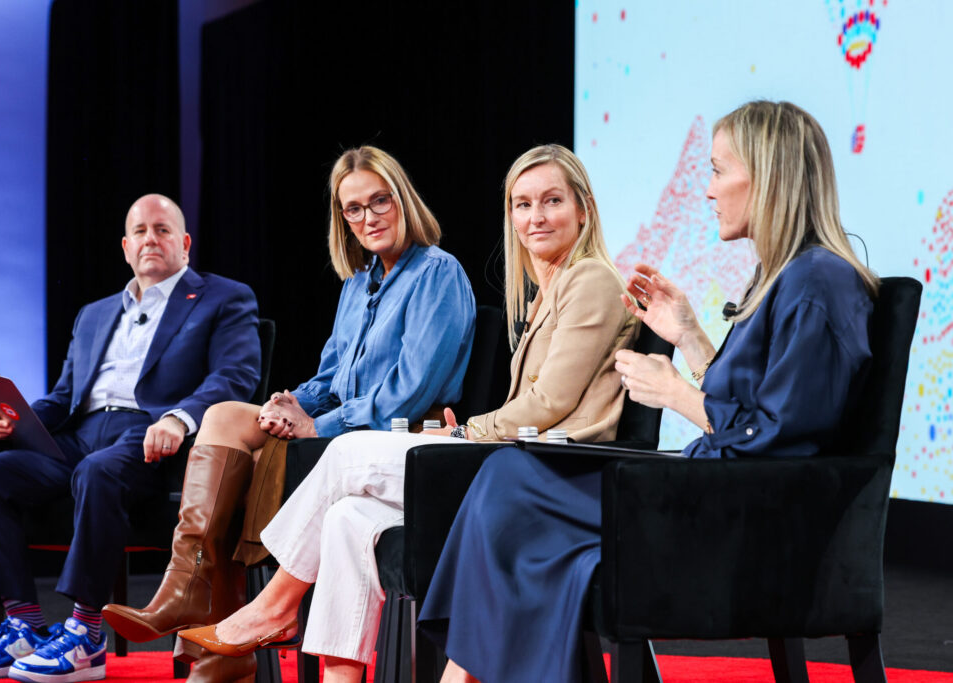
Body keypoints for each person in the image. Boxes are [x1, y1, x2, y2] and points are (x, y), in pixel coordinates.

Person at [417, 100, 881, 683]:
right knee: (527, 522)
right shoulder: (788, 276)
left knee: (509, 482)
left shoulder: (819, 282)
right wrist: (689, 336)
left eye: (717, 171)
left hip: (741, 516)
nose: (707, 190)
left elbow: (779, 440)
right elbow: (757, 408)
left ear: (766, 178)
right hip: (718, 491)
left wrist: (676, 393)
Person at [172, 143, 639, 683]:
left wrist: (467, 428)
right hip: (510, 459)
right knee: (346, 517)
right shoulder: (546, 290)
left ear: (583, 207)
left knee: (345, 452)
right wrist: (297, 402)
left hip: (539, 475)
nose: (535, 218)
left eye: (551, 201)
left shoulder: (590, 280)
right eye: (522, 204)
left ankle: (274, 606)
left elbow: (549, 404)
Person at [102, 146, 476, 682]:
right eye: (353, 209)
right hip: (334, 435)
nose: (367, 219)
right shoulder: (358, 282)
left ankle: (222, 622)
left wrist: (318, 425)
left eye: (379, 202)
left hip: (383, 444)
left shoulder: (437, 273)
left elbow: (411, 391)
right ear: (341, 218)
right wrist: (292, 404)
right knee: (230, 415)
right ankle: (189, 585)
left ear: (403, 200)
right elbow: (329, 377)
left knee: (238, 453)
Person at [0, 194, 262, 682]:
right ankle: (23, 625)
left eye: (162, 230)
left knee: (97, 471)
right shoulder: (94, 314)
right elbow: (64, 396)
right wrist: (14, 417)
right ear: (125, 246)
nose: (150, 239)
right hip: (78, 441)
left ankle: (85, 633)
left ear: (184, 244)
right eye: (139, 231)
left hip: (152, 439)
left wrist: (180, 419)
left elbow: (235, 376)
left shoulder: (223, 298)